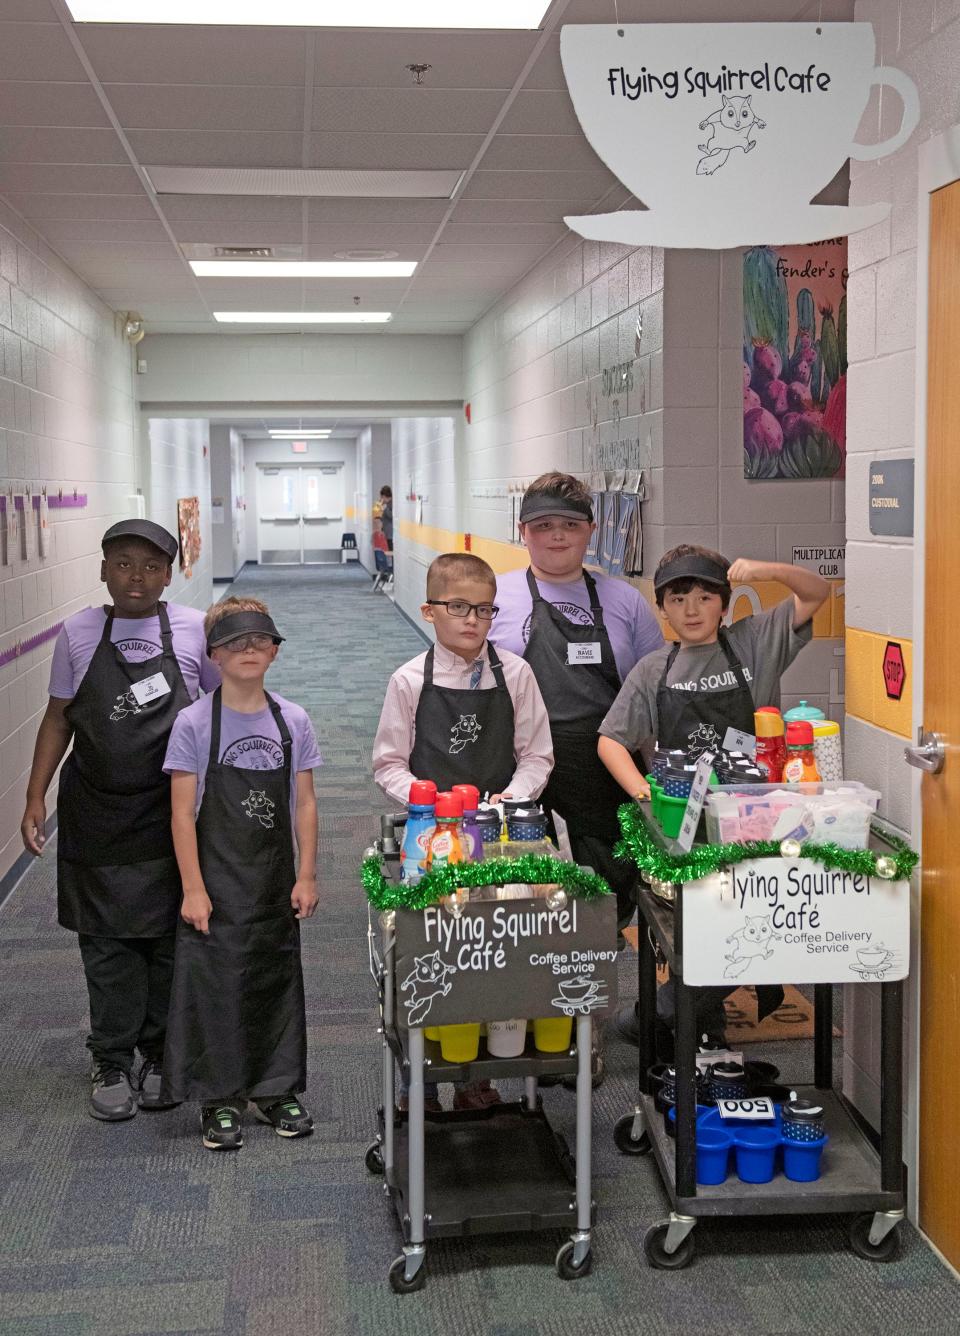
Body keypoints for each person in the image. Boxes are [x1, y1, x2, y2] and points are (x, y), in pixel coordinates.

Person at [20, 518, 219, 1122]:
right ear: (103, 569)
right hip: (97, 809)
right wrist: (35, 795)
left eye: (153, 566)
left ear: (169, 574)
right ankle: (110, 1056)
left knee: (167, 937)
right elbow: (59, 717)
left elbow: (218, 712)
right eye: (125, 563)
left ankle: (159, 1052)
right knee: (105, 943)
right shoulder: (77, 633)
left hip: (171, 813)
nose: (138, 577)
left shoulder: (192, 628)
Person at [597, 543, 830, 1045]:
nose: (692, 610)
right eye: (678, 599)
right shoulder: (652, 671)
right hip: (685, 830)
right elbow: (610, 740)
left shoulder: (754, 642)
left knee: (746, 928)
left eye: (705, 597)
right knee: (703, 935)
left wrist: (765, 568)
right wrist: (644, 793)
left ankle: (662, 1017)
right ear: (662, 608)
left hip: (754, 823)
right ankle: (684, 1025)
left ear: (725, 604)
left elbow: (818, 591)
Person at [373, 552, 553, 1110]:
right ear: (430, 611)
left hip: (499, 839)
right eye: (458, 608)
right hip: (430, 844)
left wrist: (512, 798)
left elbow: (537, 756)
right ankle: (420, 1083)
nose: (472, 620)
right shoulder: (409, 680)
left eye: (483, 609)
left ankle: (478, 1082)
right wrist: (429, 804)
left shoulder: (516, 675)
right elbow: (388, 764)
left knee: (491, 956)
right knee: (427, 956)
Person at [162, 596, 321, 1151]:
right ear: (212, 655)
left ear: (275, 650)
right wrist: (193, 889)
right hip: (216, 878)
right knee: (217, 985)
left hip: (274, 879)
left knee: (274, 979)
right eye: (233, 642)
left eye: (259, 640)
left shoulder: (292, 719)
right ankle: (220, 1096)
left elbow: (303, 804)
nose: (247, 650)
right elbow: (182, 812)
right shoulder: (194, 723)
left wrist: (307, 874)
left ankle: (276, 1088)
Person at [488, 472, 663, 938]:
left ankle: (594, 1006)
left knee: (607, 902)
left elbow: (652, 696)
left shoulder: (625, 601)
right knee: (528, 902)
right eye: (543, 525)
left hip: (605, 775)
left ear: (591, 530)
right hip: (520, 774)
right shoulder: (493, 600)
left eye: (570, 523)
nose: (557, 535)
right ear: (523, 532)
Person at [378, 485, 393, 551]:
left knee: (391, 554)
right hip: (385, 533)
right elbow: (383, 518)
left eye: (382, 497)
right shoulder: (386, 504)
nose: (381, 499)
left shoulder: (392, 503)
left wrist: (385, 508)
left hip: (390, 535)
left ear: (384, 496)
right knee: (386, 553)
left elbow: (392, 516)